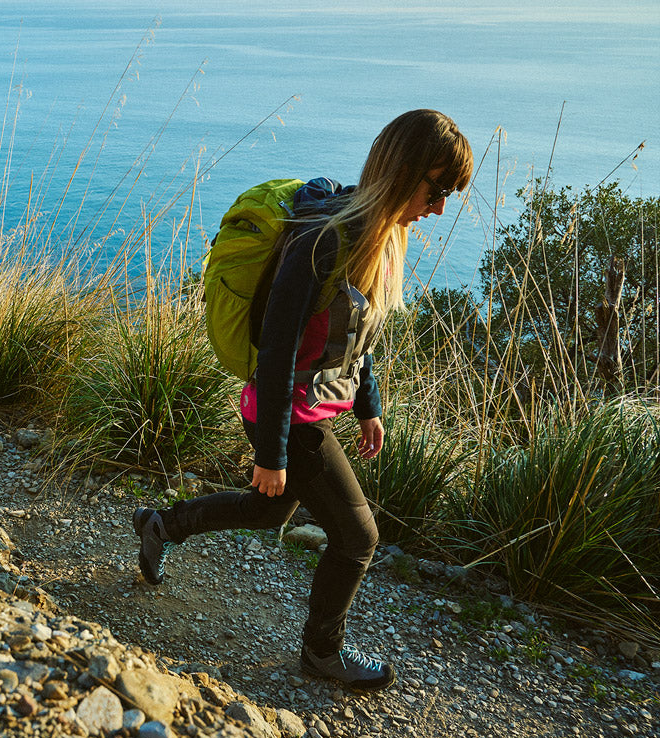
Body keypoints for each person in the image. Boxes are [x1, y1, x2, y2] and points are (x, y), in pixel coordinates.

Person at [132, 109, 473, 691]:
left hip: (309, 409)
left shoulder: (384, 241)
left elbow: (356, 337)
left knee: (270, 510)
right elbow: (277, 351)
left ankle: (161, 524)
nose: (439, 208)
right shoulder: (320, 242)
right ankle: (322, 653)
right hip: (283, 412)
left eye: (449, 195)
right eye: (435, 189)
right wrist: (272, 452)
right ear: (400, 172)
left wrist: (369, 406)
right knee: (358, 538)